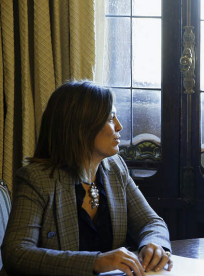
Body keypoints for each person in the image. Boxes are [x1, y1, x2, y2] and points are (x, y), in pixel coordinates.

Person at [1, 81, 172, 276]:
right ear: (81, 127)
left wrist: (153, 244)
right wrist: (95, 262)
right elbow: (16, 254)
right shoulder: (37, 179)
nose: (119, 126)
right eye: (110, 118)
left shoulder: (115, 167)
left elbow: (151, 223)